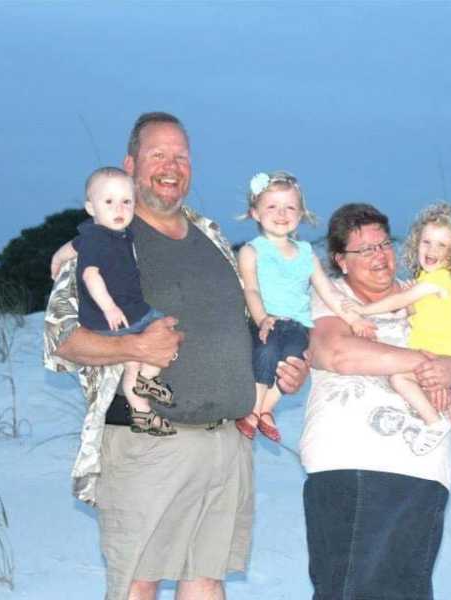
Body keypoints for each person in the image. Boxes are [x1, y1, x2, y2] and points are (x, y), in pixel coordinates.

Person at [43, 112, 308, 600]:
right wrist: (134, 347)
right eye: (157, 154)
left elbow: (245, 323)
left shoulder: (210, 234)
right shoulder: (103, 238)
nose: (171, 165)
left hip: (226, 443)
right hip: (148, 442)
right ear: (130, 165)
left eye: (181, 155)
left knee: (206, 582)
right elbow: (61, 341)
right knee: (137, 584)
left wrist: (279, 366)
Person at [300, 203, 451, 599]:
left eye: (384, 244)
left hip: (423, 476)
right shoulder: (332, 298)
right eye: (364, 249)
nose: (379, 256)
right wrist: (426, 363)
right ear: (340, 260)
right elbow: (337, 352)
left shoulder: (426, 291)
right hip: (351, 466)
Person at [345, 202, 451, 495]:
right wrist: (411, 298)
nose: (432, 249)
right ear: (417, 241)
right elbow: (416, 312)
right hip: (440, 350)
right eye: (427, 241)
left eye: (442, 245)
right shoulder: (429, 279)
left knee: (402, 379)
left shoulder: (437, 280)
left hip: (443, 353)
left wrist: (365, 309)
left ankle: (436, 425)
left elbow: (397, 303)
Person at [234, 170, 371, 443]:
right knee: (267, 353)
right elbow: (251, 289)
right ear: (255, 213)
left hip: (298, 325)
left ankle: (265, 409)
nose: (282, 213)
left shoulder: (306, 254)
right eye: (272, 206)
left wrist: (353, 318)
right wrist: (262, 319)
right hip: (266, 322)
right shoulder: (252, 251)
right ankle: (254, 409)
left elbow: (328, 292)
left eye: (290, 207)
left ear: (301, 214)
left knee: (293, 362)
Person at [50, 166, 177, 436]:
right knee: (166, 331)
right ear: (90, 207)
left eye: (126, 201)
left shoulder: (109, 234)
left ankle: (141, 412)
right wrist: (109, 307)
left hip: (121, 315)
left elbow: (73, 246)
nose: (119, 208)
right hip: (121, 314)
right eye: (109, 202)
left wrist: (57, 258)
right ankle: (148, 379)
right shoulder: (98, 238)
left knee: (132, 361)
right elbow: (90, 274)